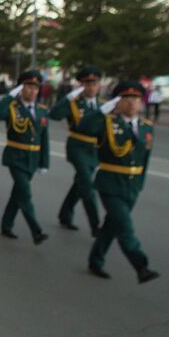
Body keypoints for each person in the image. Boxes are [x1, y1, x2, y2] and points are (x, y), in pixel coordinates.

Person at [78, 81, 160, 284]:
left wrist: (140, 185)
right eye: (126, 99)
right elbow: (83, 127)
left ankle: (95, 261)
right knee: (125, 227)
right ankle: (141, 266)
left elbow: (145, 161)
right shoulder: (106, 123)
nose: (132, 103)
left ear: (141, 103)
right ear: (118, 102)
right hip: (110, 184)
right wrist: (102, 110)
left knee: (112, 226)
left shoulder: (146, 128)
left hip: (131, 186)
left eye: (136, 99)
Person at [0, 70, 50, 245]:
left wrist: (44, 162)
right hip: (16, 156)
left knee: (18, 193)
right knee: (24, 193)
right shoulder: (12, 107)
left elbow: (44, 139)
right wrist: (10, 96)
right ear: (21, 89)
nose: (32, 91)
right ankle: (36, 230)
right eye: (28, 87)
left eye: (35, 88)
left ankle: (6, 225)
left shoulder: (41, 110)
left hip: (32, 158)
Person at [49, 66, 103, 236]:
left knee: (80, 183)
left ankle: (65, 214)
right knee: (87, 185)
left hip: (95, 150)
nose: (91, 87)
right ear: (81, 85)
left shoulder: (103, 106)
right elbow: (54, 115)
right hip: (77, 146)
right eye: (87, 83)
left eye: (94, 83)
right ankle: (96, 225)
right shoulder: (73, 103)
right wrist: (68, 98)